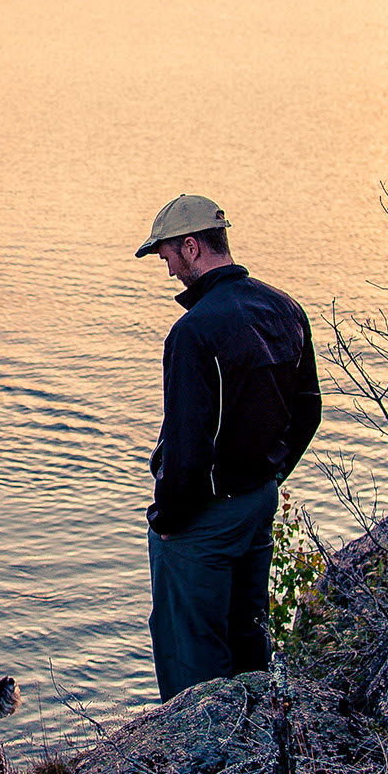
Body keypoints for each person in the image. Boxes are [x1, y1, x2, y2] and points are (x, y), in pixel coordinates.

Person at [135, 194, 322, 701]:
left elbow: (187, 446)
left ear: (191, 246)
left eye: (167, 255)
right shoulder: (285, 309)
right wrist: (270, 477)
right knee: (249, 642)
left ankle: (199, 770)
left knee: (191, 659)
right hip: (258, 503)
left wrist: (169, 519)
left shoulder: (194, 332)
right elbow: (308, 413)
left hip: (203, 519)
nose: (167, 269)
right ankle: (261, 753)